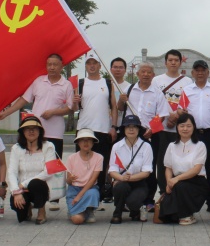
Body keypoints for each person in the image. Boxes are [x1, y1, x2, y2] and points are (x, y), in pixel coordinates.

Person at [0, 53, 74, 211]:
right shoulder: (38, 81)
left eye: (55, 64)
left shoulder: (66, 85)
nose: (52, 67)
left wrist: (53, 112)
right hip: (34, 130)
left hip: (54, 131)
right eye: (49, 64)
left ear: (61, 66)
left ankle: (53, 197)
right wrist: (5, 113)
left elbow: (70, 107)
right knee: (32, 163)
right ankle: (29, 193)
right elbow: (24, 100)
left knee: (53, 165)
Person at [117, 61, 170, 210]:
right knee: (128, 164)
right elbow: (120, 108)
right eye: (143, 72)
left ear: (153, 75)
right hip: (130, 132)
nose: (146, 74)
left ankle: (148, 200)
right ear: (138, 74)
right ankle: (126, 198)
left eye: (149, 72)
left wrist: (152, 129)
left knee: (149, 167)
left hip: (149, 134)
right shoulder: (129, 89)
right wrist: (121, 100)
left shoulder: (157, 92)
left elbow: (162, 114)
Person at [179, 59, 210, 212]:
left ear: (208, 73)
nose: (200, 73)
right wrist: (181, 112)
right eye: (197, 70)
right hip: (192, 134)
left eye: (203, 70)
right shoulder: (187, 90)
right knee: (192, 166)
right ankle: (192, 200)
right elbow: (180, 109)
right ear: (192, 73)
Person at [73, 51, 118, 205]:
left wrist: (113, 127)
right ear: (85, 66)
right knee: (82, 165)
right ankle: (81, 196)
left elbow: (114, 106)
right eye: (88, 63)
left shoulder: (108, 83)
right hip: (84, 129)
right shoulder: (80, 83)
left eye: (94, 63)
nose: (91, 66)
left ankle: (96, 197)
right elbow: (74, 108)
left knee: (101, 166)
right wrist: (74, 101)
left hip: (103, 130)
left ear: (99, 66)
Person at [152, 49, 193, 199]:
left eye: (176, 60)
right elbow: (154, 103)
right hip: (161, 128)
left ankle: (178, 191)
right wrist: (169, 115)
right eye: (170, 60)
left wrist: (176, 116)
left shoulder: (187, 82)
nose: (173, 63)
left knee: (179, 161)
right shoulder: (157, 80)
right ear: (165, 62)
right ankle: (163, 192)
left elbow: (188, 104)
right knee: (161, 161)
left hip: (180, 130)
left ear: (181, 62)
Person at [159, 114, 208, 225]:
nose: (185, 129)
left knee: (180, 186)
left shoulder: (200, 145)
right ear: (177, 127)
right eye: (182, 126)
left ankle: (187, 214)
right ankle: (181, 213)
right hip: (176, 183)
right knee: (165, 215)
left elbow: (196, 169)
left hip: (195, 182)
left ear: (194, 127)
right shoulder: (171, 146)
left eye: (188, 126)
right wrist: (169, 182)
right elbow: (168, 168)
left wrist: (176, 180)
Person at [7, 116, 56, 224]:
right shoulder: (16, 148)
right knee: (20, 214)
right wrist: (16, 192)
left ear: (40, 131)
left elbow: (49, 171)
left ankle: (41, 210)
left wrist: (24, 183)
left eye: (34, 128)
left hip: (41, 187)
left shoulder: (48, 146)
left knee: (35, 183)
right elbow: (12, 172)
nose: (31, 131)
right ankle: (28, 207)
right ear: (23, 131)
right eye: (27, 128)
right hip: (22, 189)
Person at [108, 115, 153, 224]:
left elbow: (146, 172)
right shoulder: (117, 146)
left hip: (139, 182)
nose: (131, 129)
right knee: (120, 187)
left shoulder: (146, 146)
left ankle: (135, 210)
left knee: (133, 201)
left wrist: (128, 178)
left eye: (134, 127)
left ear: (139, 129)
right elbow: (112, 170)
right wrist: (121, 178)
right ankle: (117, 213)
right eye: (128, 126)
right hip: (122, 181)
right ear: (124, 129)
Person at [65, 129, 102, 225]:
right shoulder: (71, 158)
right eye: (82, 140)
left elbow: (93, 180)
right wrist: (69, 179)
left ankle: (89, 209)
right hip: (74, 189)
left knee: (93, 192)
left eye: (89, 140)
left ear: (93, 142)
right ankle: (76, 212)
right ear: (78, 142)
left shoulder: (99, 157)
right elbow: (68, 181)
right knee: (77, 220)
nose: (86, 143)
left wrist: (80, 196)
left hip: (89, 188)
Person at [110, 57, 132, 127]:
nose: (118, 70)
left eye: (121, 67)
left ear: (125, 70)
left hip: (123, 124)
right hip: (106, 124)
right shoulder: (105, 86)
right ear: (110, 69)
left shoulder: (130, 87)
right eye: (115, 67)